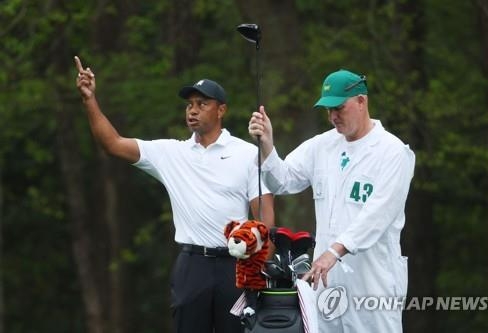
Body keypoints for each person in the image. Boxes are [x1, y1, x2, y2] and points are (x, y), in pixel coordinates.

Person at [74, 56, 274, 333]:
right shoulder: (171, 153)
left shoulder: (248, 154)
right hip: (192, 266)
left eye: (202, 104)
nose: (193, 110)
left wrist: (260, 270)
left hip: (236, 267)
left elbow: (265, 221)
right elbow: (113, 143)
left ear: (221, 110)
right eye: (189, 105)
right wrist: (89, 100)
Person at [248, 69, 415, 332]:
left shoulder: (393, 152)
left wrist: (335, 251)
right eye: (328, 110)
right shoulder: (321, 145)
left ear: (362, 101)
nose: (333, 116)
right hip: (326, 281)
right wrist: (267, 144)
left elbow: (377, 215)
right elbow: (282, 181)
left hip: (373, 281)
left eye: (339, 108)